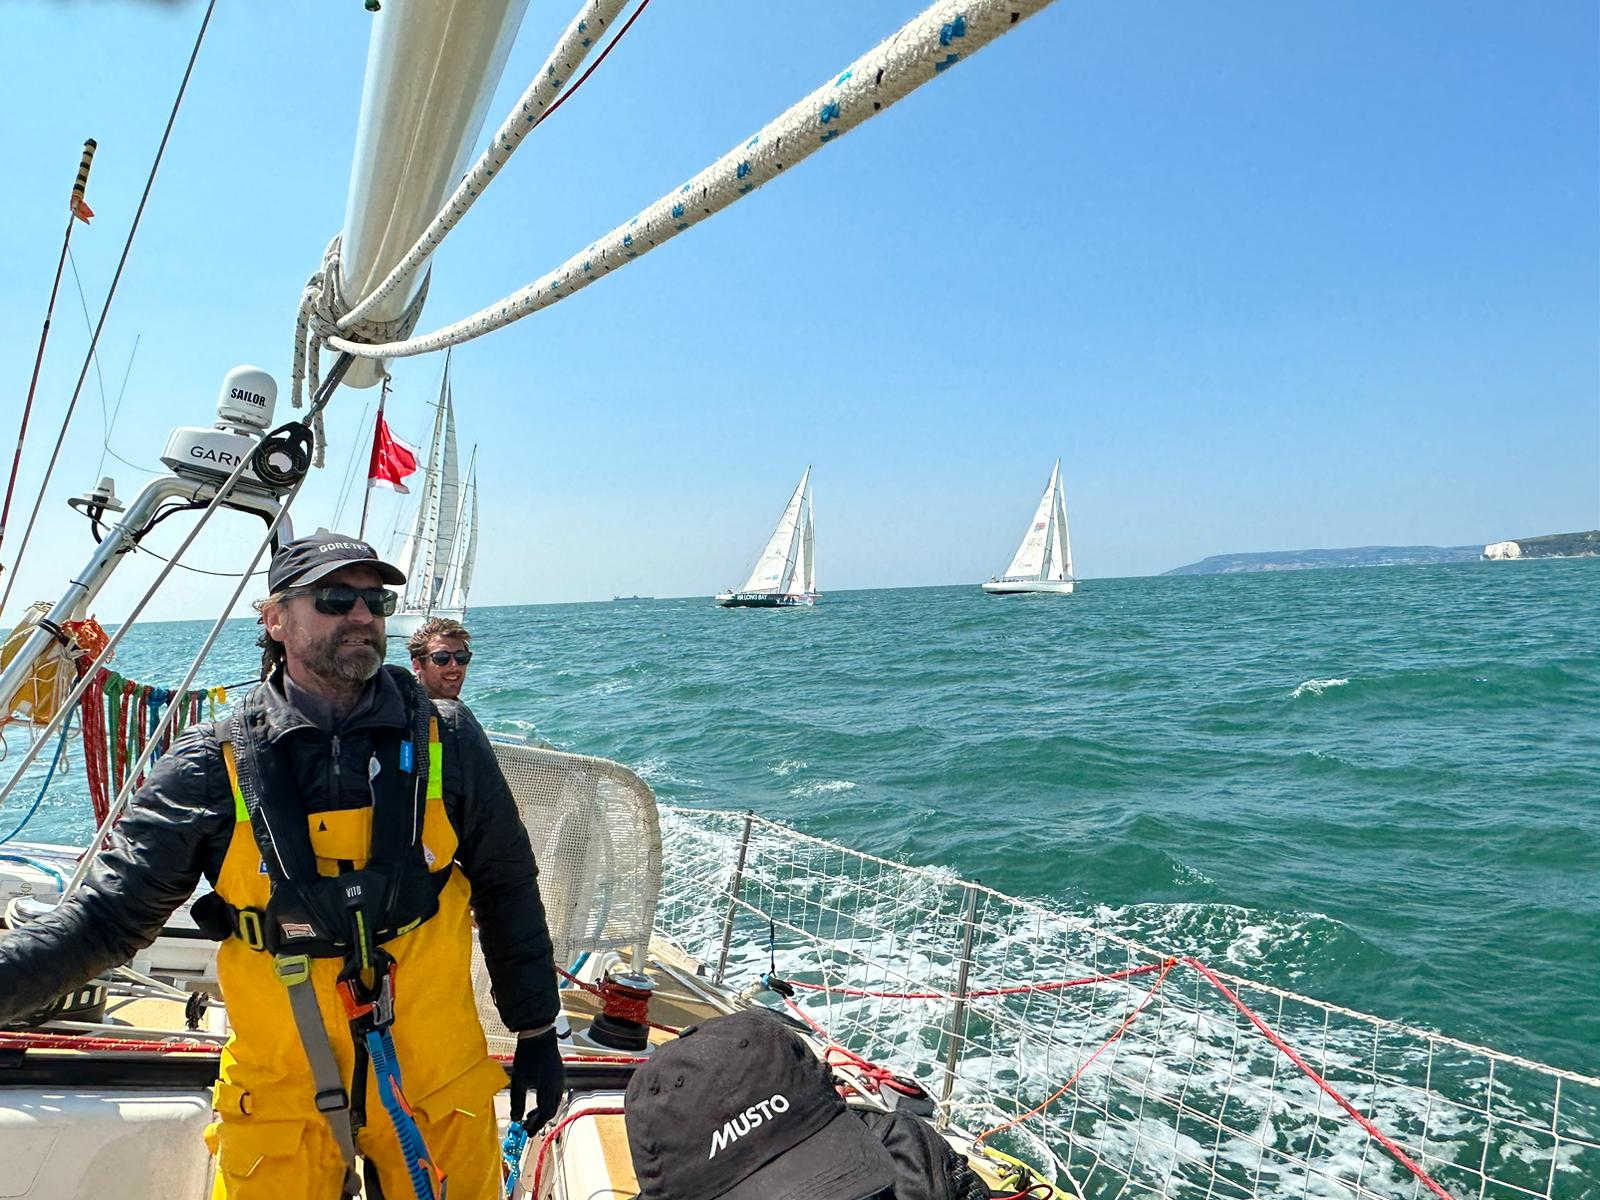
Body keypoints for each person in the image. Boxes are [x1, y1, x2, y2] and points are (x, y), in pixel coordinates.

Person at [0, 531, 565, 1200]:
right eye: (334, 598)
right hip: (280, 1094)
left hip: (436, 1083)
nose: (362, 615)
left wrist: (537, 1029)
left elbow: (506, 885)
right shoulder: (210, 764)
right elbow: (105, 921)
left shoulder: (449, 739)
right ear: (274, 619)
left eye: (376, 600)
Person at [409, 616, 473, 702]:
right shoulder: (403, 706)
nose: (454, 665)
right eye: (441, 657)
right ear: (417, 666)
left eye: (461, 657)